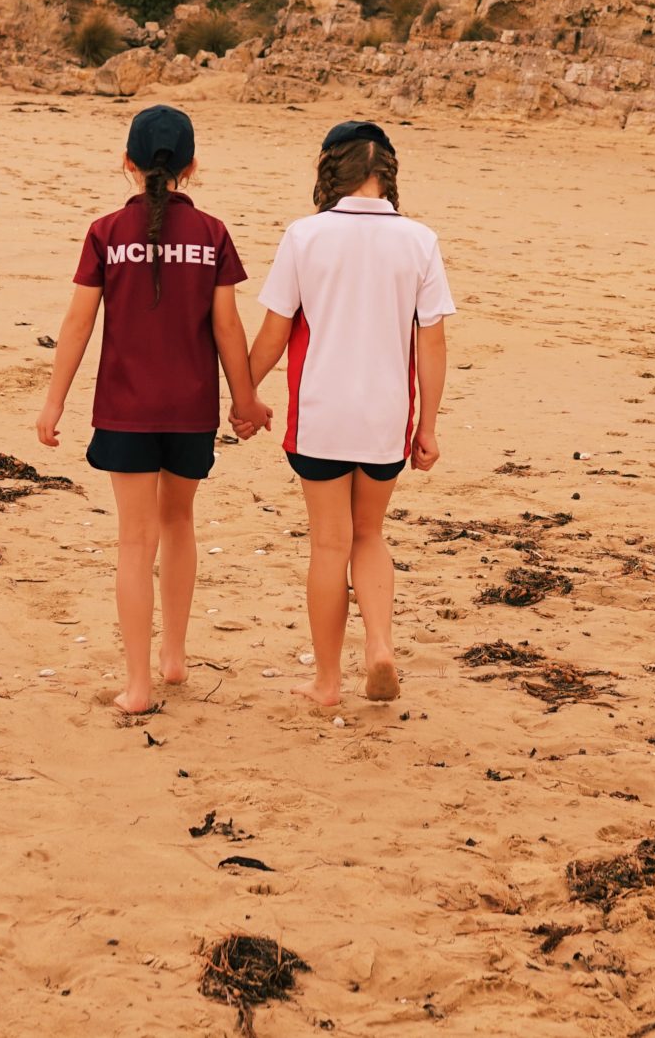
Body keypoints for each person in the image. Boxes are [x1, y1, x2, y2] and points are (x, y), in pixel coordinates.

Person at [35, 105, 270, 712]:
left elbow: (78, 323)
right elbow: (226, 326)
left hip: (125, 409)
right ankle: (174, 658)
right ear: (191, 167)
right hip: (191, 409)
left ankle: (137, 684)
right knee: (179, 523)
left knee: (134, 541)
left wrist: (53, 402)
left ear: (127, 163)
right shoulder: (213, 233)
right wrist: (244, 400)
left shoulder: (107, 231)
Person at [248, 120, 454, 709]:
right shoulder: (419, 241)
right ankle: (381, 646)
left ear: (329, 170)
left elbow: (273, 331)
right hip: (386, 418)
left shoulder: (305, 236)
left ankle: (327, 684)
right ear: (385, 174)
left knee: (328, 546)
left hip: (320, 415)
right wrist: (428, 427)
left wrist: (239, 393)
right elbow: (431, 343)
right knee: (369, 535)